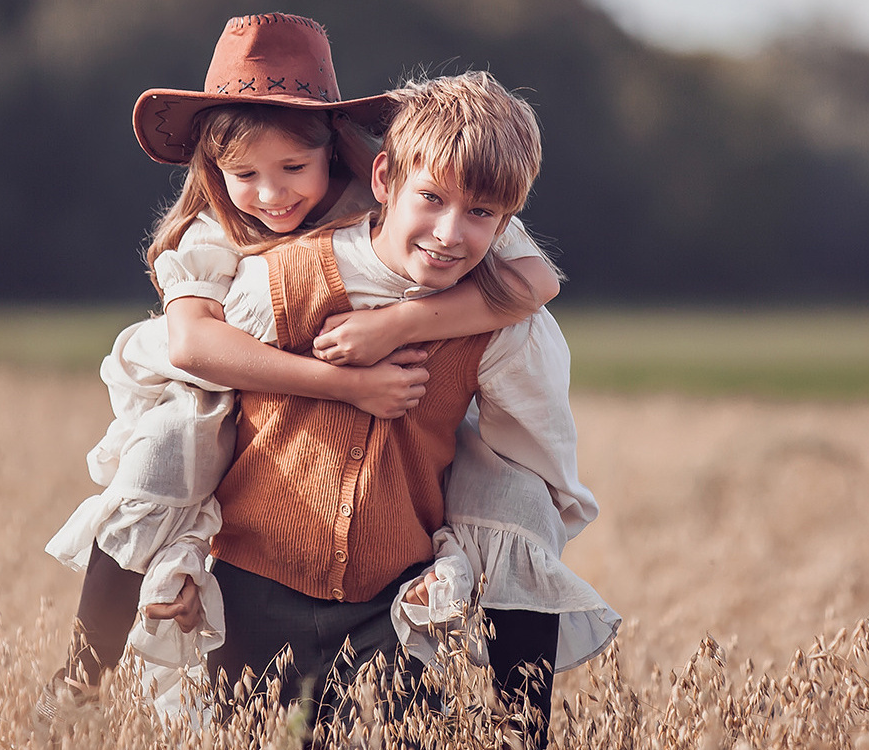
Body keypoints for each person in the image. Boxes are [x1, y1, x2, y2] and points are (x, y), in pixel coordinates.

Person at [33, 13, 564, 735]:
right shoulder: (212, 233)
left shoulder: (407, 197)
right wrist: (349, 383)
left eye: (292, 169)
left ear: (339, 153)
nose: (272, 194)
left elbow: (535, 279)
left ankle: (517, 722)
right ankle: (83, 675)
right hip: (215, 387)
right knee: (167, 448)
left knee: (508, 490)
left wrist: (398, 324)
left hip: (396, 490)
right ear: (214, 173)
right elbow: (192, 348)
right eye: (244, 174)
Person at [201, 69, 613, 746]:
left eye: (481, 214)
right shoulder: (281, 279)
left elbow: (531, 473)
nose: (451, 233)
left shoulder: (507, 327)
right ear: (385, 179)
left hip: (392, 610)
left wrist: (457, 559)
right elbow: (190, 409)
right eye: (432, 199)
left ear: (508, 223)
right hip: (252, 592)